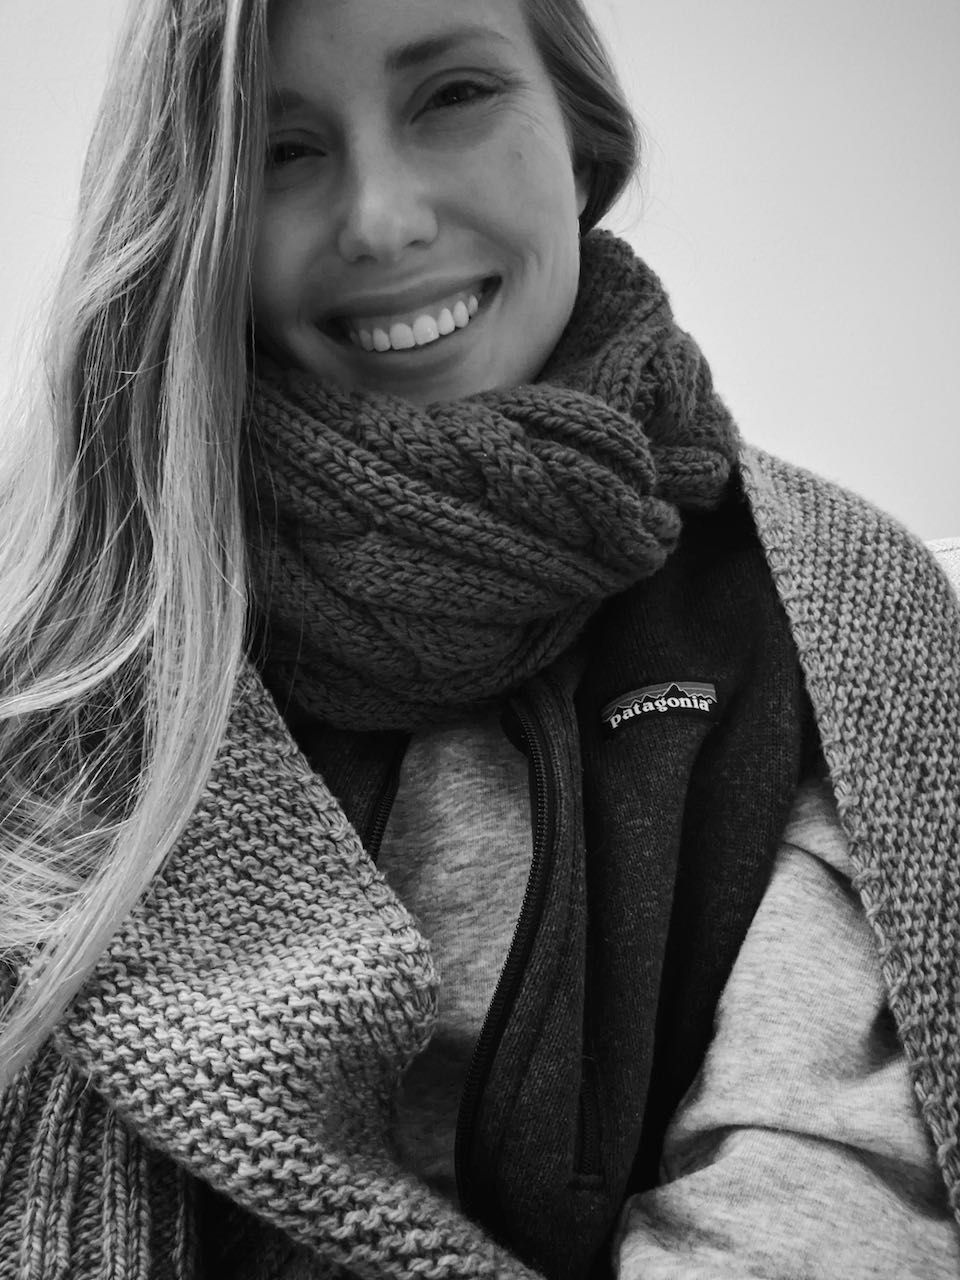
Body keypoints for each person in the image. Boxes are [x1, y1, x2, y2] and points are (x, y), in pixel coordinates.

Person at [0, 0, 958, 1275]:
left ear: (583, 136)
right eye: (281, 150)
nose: (383, 219)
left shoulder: (831, 616)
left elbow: (823, 1200)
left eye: (451, 94)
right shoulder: (70, 636)